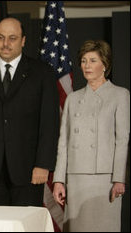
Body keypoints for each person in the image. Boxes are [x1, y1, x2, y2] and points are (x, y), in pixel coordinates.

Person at [0, 17, 60, 206]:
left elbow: (49, 123)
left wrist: (43, 164)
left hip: (29, 171)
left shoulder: (42, 73)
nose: (5, 44)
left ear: (23, 40)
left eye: (12, 38)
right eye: (0, 37)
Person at [52, 40, 129, 232]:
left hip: (105, 179)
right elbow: (64, 143)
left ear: (105, 64)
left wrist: (119, 178)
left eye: (92, 60)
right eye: (84, 60)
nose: (87, 66)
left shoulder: (120, 95)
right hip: (76, 176)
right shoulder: (73, 98)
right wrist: (59, 180)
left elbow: (122, 140)